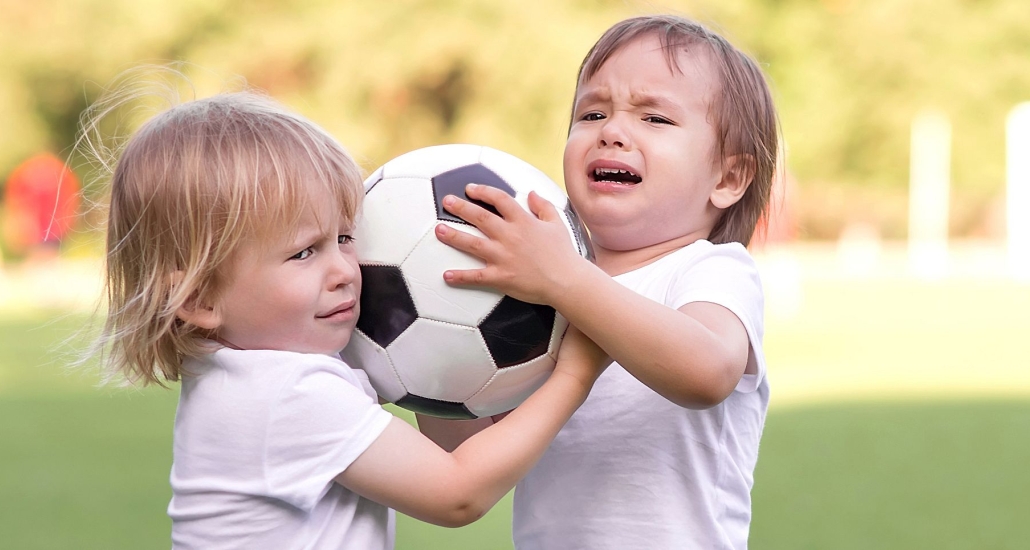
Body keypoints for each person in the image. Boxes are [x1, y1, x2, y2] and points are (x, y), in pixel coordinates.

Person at [86, 87, 607, 549]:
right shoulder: (285, 394)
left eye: (343, 237)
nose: (345, 270)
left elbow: (444, 430)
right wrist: (576, 374)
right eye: (303, 252)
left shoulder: (250, 373)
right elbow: (456, 494)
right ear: (200, 299)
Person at [431, 15, 779, 550]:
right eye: (592, 112)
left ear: (728, 178)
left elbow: (706, 372)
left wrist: (566, 279)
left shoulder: (709, 269)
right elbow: (466, 454)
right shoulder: (535, 297)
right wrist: (427, 353)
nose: (611, 131)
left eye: (656, 118)